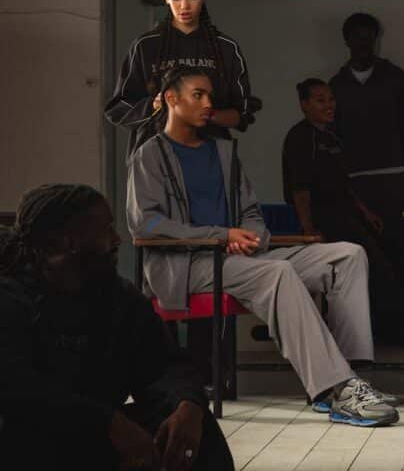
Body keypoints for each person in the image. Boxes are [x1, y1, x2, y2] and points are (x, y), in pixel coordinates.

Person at [127, 66, 398, 427]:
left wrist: (251, 237)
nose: (209, 104)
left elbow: (250, 211)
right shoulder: (149, 156)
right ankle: (334, 388)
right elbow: (147, 224)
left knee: (347, 255)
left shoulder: (223, 153)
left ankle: (351, 377)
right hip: (188, 265)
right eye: (198, 95)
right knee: (278, 272)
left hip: (243, 259)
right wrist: (223, 235)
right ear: (172, 99)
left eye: (211, 95)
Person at [0, 184, 233, 469]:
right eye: (107, 229)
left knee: (193, 427)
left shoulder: (119, 298)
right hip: (31, 440)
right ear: (72, 242)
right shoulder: (11, 298)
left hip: (94, 437)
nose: (117, 239)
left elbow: (165, 366)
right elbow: (19, 389)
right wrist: (107, 423)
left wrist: (188, 404)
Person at [282, 78, 404, 345]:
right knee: (374, 267)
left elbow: (345, 184)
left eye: (331, 100)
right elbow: (300, 190)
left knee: (390, 257)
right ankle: (389, 334)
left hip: (347, 213)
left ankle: (403, 328)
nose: (329, 105)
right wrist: (308, 229)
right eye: (321, 100)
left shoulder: (332, 137)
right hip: (323, 217)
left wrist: (366, 212)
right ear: (304, 105)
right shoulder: (300, 138)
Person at [327, 13, 404, 335]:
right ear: (346, 41)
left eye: (368, 37)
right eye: (357, 37)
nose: (363, 44)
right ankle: (376, 329)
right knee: (368, 257)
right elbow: (334, 135)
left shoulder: (393, 77)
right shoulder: (336, 84)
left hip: (395, 175)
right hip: (356, 180)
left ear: (375, 39)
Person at [105, 0, 259, 160]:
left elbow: (243, 111)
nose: (184, 5)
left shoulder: (226, 48)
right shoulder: (146, 46)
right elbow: (118, 108)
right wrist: (154, 105)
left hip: (211, 157)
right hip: (154, 157)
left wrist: (206, 113)